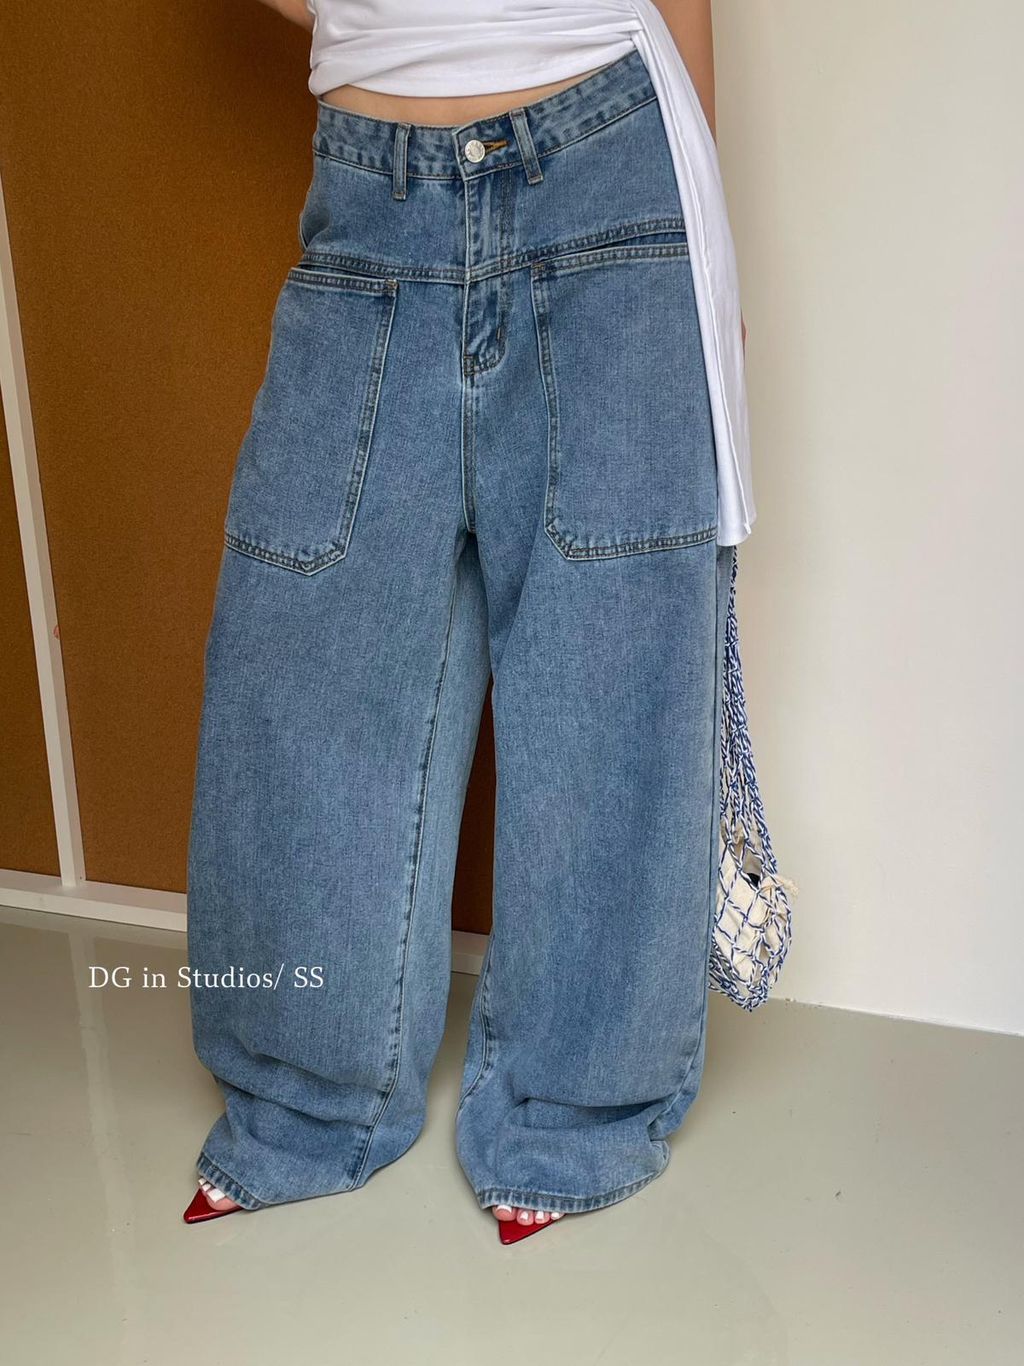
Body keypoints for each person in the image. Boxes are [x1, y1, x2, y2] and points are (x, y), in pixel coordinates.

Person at [184, 0, 754, 1244]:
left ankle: (572, 1110)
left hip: (610, 162)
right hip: (367, 191)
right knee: (306, 652)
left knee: (609, 658)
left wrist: (705, 249)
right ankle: (300, 1096)